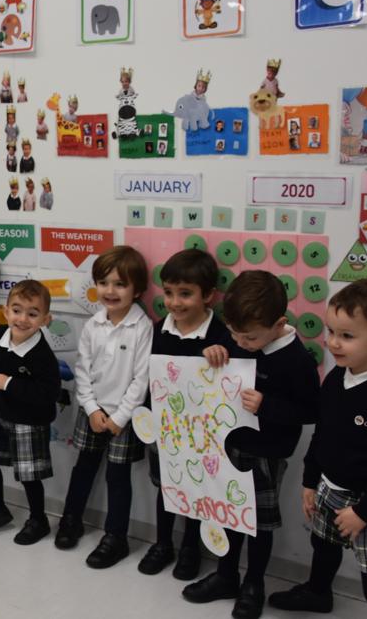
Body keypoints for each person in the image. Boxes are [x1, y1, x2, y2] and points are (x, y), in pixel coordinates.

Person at [269, 280, 367, 618]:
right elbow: (322, 435)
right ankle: (317, 593)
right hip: (329, 489)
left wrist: (364, 512)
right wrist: (310, 482)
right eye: (331, 331)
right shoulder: (335, 379)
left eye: (347, 336)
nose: (333, 343)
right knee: (323, 547)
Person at [189, 271, 320, 618]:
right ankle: (225, 576)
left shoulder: (297, 360)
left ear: (279, 324)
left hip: (267, 452)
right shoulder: (239, 337)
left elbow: (310, 411)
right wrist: (217, 348)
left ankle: (254, 583)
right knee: (229, 516)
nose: (240, 342)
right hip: (230, 444)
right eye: (232, 333)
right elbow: (225, 359)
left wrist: (267, 405)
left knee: (259, 524)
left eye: (248, 337)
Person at [139, 248, 235, 580]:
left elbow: (228, 384)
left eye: (185, 294)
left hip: (201, 432)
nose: (175, 302)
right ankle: (163, 544)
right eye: (168, 293)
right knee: (165, 489)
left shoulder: (220, 335)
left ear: (208, 295)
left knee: (195, 490)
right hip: (164, 429)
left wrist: (217, 354)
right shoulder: (156, 330)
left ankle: (191, 548)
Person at [55, 246, 152, 569]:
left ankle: (116, 537)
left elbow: (142, 378)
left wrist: (120, 416)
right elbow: (82, 370)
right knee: (83, 467)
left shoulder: (143, 327)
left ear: (137, 290)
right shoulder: (94, 324)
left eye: (120, 284)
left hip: (123, 417)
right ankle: (72, 518)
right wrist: (92, 409)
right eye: (104, 282)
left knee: (117, 476)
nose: (110, 291)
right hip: (91, 411)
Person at [0, 280, 61, 545]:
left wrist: (10, 383)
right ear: (6, 311)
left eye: (32, 314)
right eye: (17, 311)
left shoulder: (42, 355)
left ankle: (38, 519)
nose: (23, 319)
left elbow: (48, 394)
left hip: (30, 422)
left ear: (45, 319)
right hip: (1, 415)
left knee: (29, 475)